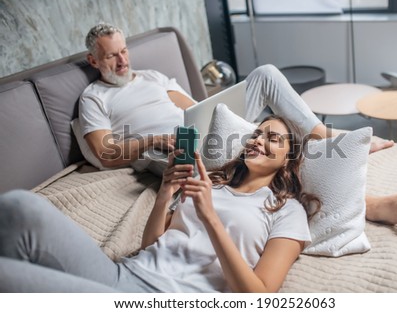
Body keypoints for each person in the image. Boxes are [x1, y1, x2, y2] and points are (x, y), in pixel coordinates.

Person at [79, 23, 397, 225]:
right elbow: (104, 152)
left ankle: (322, 133)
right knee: (270, 160)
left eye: (124, 50)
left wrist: (218, 113)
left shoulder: (153, 77)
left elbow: (196, 109)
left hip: (197, 131)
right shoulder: (95, 98)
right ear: (94, 60)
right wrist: (152, 138)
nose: (123, 60)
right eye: (111, 55)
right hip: (169, 149)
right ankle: (369, 205)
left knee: (264, 75)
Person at [0, 115, 315, 292]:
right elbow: (153, 243)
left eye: (273, 138)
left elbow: (258, 297)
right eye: (257, 134)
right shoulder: (213, 184)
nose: (258, 140)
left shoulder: (287, 211)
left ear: (288, 160)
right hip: (124, 275)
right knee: (19, 207)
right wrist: (166, 191)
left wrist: (211, 219)